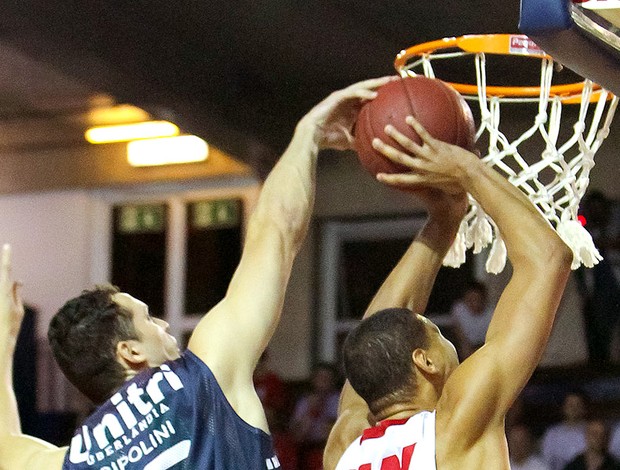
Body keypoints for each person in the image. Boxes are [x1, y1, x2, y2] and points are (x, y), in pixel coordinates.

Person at [0, 76, 397, 470]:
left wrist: (4, 342)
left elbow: (6, 448)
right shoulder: (201, 380)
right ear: (130, 351)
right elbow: (275, 234)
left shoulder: (74, 459)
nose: (167, 326)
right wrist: (307, 135)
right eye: (149, 319)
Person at [323, 116, 573, 469]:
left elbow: (377, 332)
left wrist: (444, 221)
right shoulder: (458, 423)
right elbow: (549, 258)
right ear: (424, 360)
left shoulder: (344, 446)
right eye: (437, 333)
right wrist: (467, 169)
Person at [575, 190, 620, 365]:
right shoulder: (584, 229)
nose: (597, 212)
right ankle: (601, 363)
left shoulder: (615, 223)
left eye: (599, 208)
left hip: (614, 283)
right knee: (598, 327)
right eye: (593, 208)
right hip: (597, 290)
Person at [290, 363, 340, 469]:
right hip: (307, 450)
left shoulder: (338, 400)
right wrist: (312, 411)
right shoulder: (305, 401)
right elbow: (298, 435)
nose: (323, 381)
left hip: (331, 449)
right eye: (320, 377)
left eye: (327, 378)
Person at [541, 390, 589, 470]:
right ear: (563, 407)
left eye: (577, 405)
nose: (574, 408)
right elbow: (546, 462)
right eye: (570, 405)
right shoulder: (552, 433)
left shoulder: (590, 431)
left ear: (583, 409)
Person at [450, 280, 493, 359]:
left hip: (484, 347)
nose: (474, 303)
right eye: (470, 300)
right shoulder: (459, 310)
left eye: (477, 300)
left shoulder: (491, 313)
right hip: (464, 347)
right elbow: (459, 335)